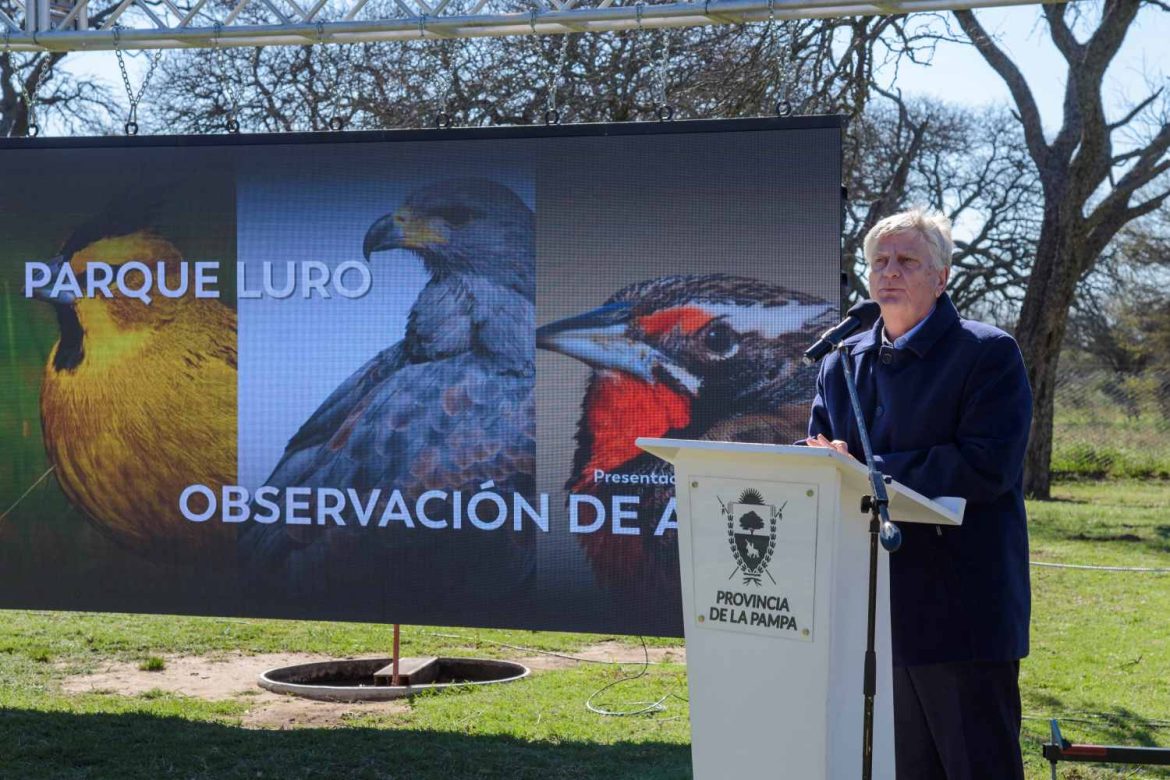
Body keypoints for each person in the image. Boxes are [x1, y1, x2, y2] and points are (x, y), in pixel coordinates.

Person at [805, 208, 1033, 780]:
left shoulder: (988, 354)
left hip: (961, 612)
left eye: (907, 260)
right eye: (879, 261)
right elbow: (820, 451)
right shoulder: (840, 361)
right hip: (869, 609)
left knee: (976, 766)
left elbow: (988, 466)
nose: (889, 272)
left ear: (942, 276)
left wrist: (862, 466)